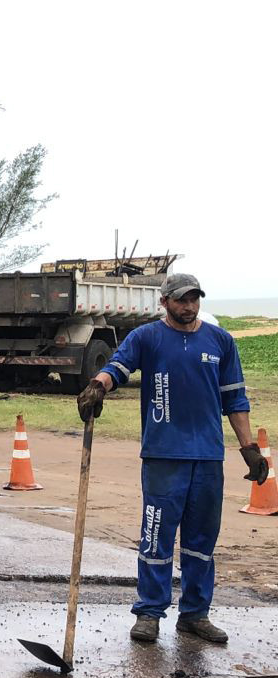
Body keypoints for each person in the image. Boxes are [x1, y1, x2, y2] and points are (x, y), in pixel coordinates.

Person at [77, 273, 268, 645]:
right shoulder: (146, 337)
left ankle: (195, 614)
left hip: (208, 458)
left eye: (194, 299)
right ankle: (149, 612)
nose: (189, 306)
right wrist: (97, 386)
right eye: (181, 299)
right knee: (156, 537)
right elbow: (118, 366)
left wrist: (249, 449)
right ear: (164, 301)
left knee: (201, 541)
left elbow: (235, 399)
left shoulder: (220, 341)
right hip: (164, 455)